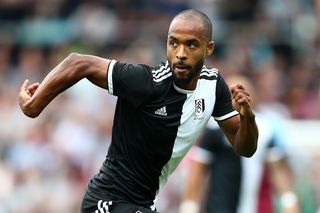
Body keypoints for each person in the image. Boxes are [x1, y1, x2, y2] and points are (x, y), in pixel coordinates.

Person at [18, 9, 258, 213]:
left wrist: (247, 117)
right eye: (173, 43)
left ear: (209, 48)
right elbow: (78, 62)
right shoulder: (146, 82)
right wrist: (35, 104)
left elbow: (244, 148)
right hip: (108, 201)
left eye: (191, 44)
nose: (181, 54)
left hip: (143, 205)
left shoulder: (214, 86)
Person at [180, 75, 299, 213]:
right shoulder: (214, 129)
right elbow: (198, 170)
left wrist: (288, 200)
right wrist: (189, 205)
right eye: (232, 93)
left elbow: (278, 170)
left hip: (254, 207)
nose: (238, 98)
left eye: (243, 92)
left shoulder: (265, 130)